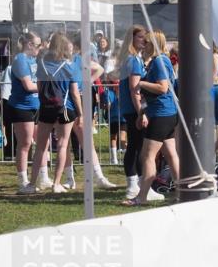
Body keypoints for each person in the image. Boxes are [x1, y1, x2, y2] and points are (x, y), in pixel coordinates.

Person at [125, 31, 179, 206]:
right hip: (165, 113)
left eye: (146, 42)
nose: (143, 44)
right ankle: (183, 193)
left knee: (147, 156)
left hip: (162, 115)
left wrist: (141, 83)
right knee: (171, 155)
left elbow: (163, 88)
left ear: (153, 44)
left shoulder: (159, 61)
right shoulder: (159, 61)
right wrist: (142, 113)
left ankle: (142, 197)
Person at [29, 32, 81, 193]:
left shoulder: (42, 64)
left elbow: (38, 87)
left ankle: (31, 184)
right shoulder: (68, 66)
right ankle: (56, 183)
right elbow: (74, 92)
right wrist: (81, 113)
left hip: (45, 108)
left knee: (40, 147)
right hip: (64, 108)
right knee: (63, 145)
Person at [62, 36, 116, 190]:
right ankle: (69, 178)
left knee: (87, 142)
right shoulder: (60, 62)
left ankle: (99, 177)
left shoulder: (79, 60)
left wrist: (88, 81)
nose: (70, 50)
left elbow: (100, 68)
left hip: (78, 101)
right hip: (65, 104)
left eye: (72, 48)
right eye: (67, 48)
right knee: (64, 143)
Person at [117, 26, 155, 200]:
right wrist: (141, 112)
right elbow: (135, 89)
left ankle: (139, 184)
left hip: (132, 108)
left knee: (138, 146)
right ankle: (133, 185)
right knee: (135, 146)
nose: (144, 40)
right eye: (141, 37)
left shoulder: (133, 59)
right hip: (134, 109)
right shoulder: (133, 60)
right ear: (132, 38)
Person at [7, 33, 44, 193]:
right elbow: (29, 86)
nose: (39, 48)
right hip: (22, 107)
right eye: (37, 45)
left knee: (42, 142)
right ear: (29, 44)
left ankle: (44, 177)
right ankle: (23, 179)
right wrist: (47, 88)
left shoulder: (34, 59)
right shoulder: (20, 60)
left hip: (36, 106)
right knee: (25, 143)